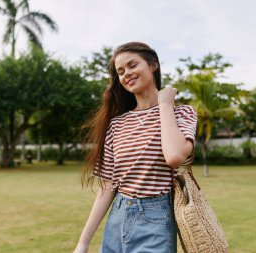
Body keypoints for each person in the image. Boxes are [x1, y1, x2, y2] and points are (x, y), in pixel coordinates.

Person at [74, 42, 197, 253]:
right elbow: (107, 187)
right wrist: (83, 242)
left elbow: (174, 156)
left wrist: (165, 104)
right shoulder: (117, 124)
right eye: (120, 72)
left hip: (156, 218)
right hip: (118, 217)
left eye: (132, 65)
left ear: (153, 65)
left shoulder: (181, 113)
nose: (126, 74)